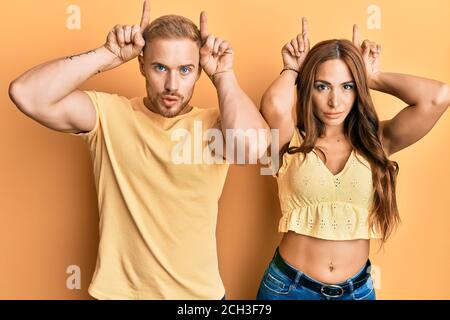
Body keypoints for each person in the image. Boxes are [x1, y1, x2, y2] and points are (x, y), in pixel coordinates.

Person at [8, 0, 269, 299]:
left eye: (185, 69)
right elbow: (26, 93)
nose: (172, 84)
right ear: (141, 65)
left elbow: (253, 149)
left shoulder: (215, 126)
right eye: (160, 67)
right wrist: (107, 54)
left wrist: (224, 75)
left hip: (199, 299)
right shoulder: (107, 115)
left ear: (199, 72)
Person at [256, 18, 449, 300]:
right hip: (288, 289)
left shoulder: (377, 142)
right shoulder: (289, 141)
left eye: (347, 86)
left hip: (356, 292)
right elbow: (273, 104)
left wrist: (372, 76)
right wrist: (291, 68)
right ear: (308, 88)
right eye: (322, 86)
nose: (336, 101)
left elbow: (439, 97)